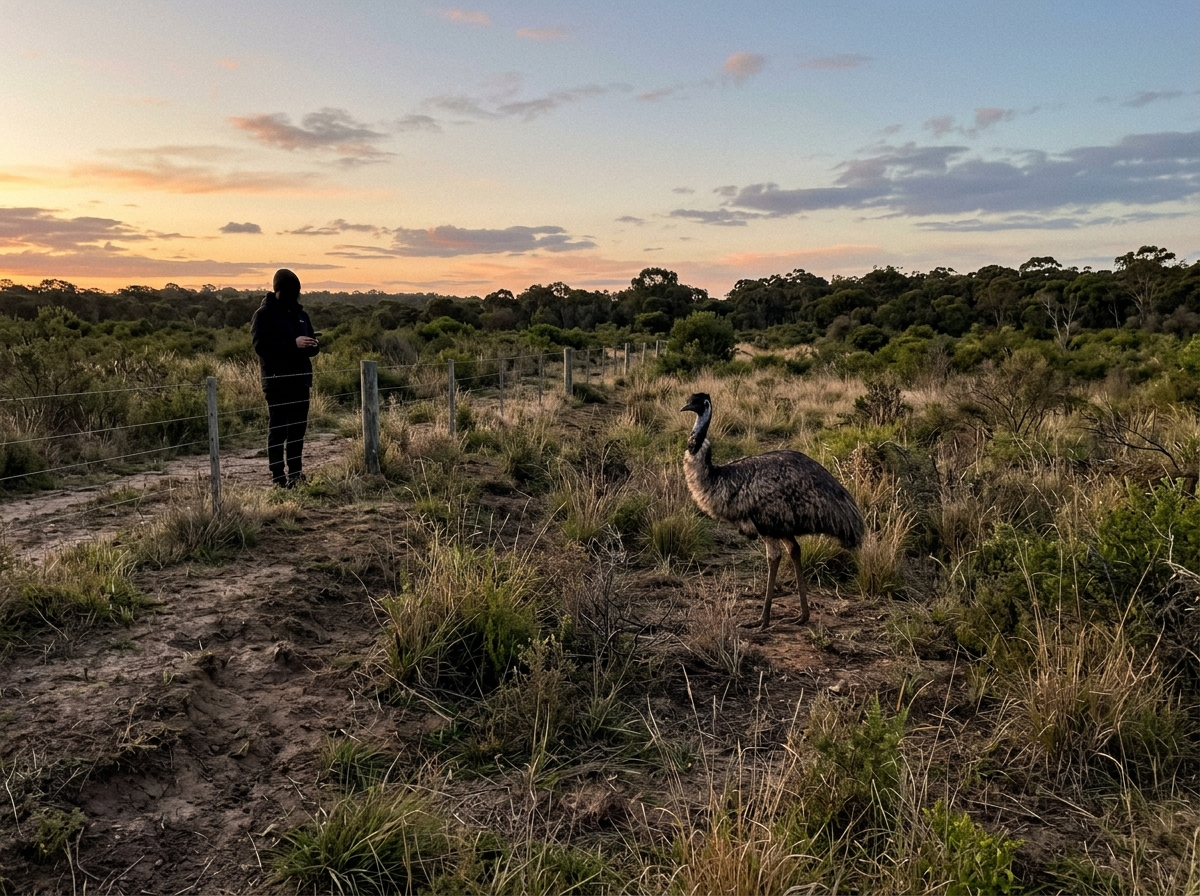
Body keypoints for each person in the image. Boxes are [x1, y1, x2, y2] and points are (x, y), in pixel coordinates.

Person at [250, 269, 319, 487]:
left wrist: (312, 345)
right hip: (276, 382)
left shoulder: (301, 316)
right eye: (289, 290)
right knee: (278, 429)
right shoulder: (263, 315)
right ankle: (278, 476)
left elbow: (311, 345)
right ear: (277, 290)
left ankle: (296, 475)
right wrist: (293, 344)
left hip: (300, 381)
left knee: (298, 430)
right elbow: (260, 347)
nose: (293, 294)